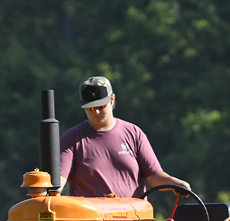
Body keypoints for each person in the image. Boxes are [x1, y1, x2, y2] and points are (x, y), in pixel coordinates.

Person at [59, 76, 189, 198]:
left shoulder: (133, 133)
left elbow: (153, 176)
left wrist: (174, 183)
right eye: (90, 108)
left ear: (112, 99)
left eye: (101, 106)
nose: (96, 112)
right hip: (93, 220)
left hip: (134, 218)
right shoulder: (72, 139)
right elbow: (58, 181)